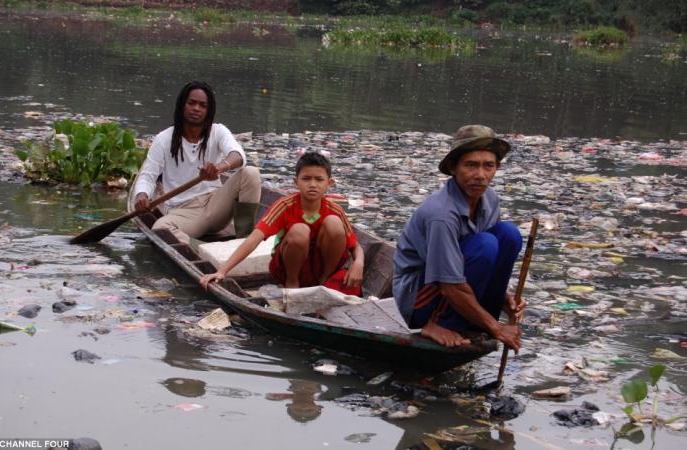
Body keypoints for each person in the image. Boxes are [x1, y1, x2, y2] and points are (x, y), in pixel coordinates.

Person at [393, 125, 525, 350]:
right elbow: (449, 284)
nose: (480, 175)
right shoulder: (442, 215)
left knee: (508, 234)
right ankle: (433, 323)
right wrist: (497, 328)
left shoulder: (490, 199)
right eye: (471, 165)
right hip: (417, 296)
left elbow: (484, 264)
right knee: (485, 244)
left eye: (488, 166)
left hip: (453, 282)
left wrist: (504, 297)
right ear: (454, 167)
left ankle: (476, 320)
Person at [200, 152, 364, 294]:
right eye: (306, 179)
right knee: (300, 230)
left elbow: (355, 246)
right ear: (296, 182)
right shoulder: (285, 206)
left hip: (320, 267)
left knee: (334, 224)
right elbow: (253, 239)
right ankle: (292, 283)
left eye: (319, 179)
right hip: (290, 267)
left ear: (329, 183)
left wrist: (358, 263)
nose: (312, 184)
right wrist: (222, 271)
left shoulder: (334, 210)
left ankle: (324, 282)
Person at [133, 81, 261, 244]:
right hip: (184, 212)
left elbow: (238, 155)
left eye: (202, 105)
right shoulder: (164, 139)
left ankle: (245, 240)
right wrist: (142, 195)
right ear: (182, 106)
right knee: (161, 229)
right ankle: (200, 250)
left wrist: (219, 168)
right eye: (191, 103)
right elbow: (147, 177)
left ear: (208, 111)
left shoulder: (218, 131)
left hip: (215, 205)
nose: (196, 109)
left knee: (251, 173)